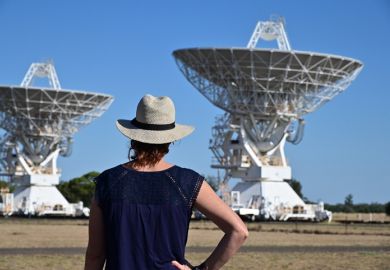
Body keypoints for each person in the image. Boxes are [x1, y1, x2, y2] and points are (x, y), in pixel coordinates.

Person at [84, 94, 248, 270]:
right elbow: (239, 231)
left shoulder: (107, 182)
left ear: (133, 136)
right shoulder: (188, 182)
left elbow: (96, 255)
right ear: (171, 139)